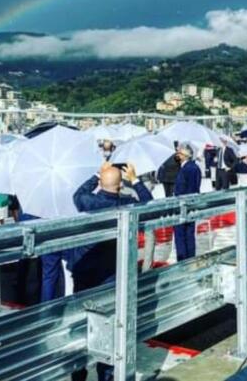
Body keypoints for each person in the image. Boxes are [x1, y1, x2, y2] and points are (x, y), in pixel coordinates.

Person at [70, 162, 152, 381]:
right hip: (111, 270)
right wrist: (135, 180)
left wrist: (97, 173)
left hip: (84, 269)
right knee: (108, 324)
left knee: (82, 323)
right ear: (120, 186)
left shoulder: (89, 202)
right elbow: (150, 204)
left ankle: (78, 373)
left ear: (101, 184)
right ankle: (106, 373)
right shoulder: (128, 204)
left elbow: (78, 193)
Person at [173, 143, 201, 261]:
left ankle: (183, 259)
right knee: (189, 233)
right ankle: (190, 258)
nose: (177, 155)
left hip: (183, 204)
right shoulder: (194, 167)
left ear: (184, 155)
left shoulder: (187, 169)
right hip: (192, 204)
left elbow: (185, 188)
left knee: (181, 234)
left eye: (179, 152)